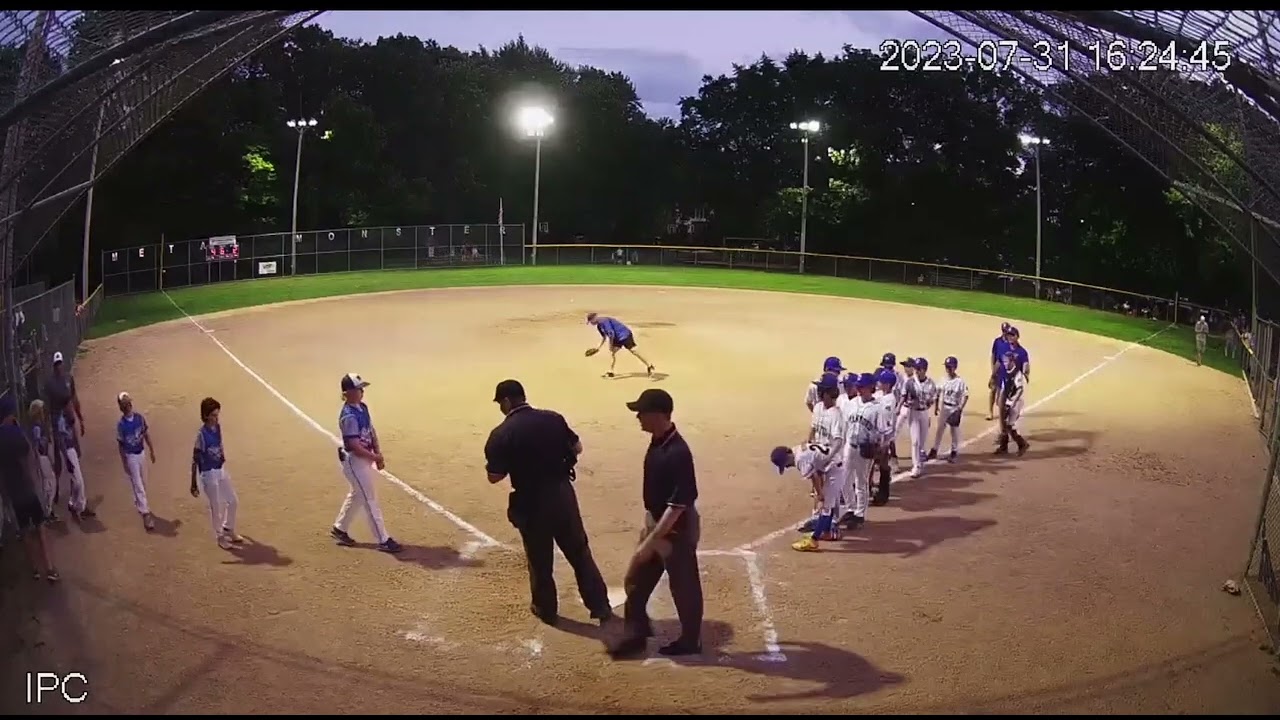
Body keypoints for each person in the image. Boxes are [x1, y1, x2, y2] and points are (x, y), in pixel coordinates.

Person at [483, 379, 612, 626]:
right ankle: (600, 606)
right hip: (562, 495)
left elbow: (494, 476)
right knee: (580, 553)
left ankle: (545, 609)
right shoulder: (553, 418)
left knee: (540, 560)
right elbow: (578, 447)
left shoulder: (501, 434)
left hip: (531, 501)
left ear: (508, 401)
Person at [610, 388, 703, 658]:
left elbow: (678, 506)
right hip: (658, 522)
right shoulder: (658, 441)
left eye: (643, 412)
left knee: (684, 585)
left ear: (659, 415)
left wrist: (651, 541)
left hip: (675, 528)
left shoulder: (677, 452)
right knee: (634, 581)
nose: (638, 416)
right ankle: (637, 633)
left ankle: (690, 641)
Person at [329, 373, 402, 553]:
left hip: (365, 458)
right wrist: (374, 457)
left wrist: (378, 453)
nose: (362, 391)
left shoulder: (362, 407)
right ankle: (383, 540)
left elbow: (371, 430)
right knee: (369, 499)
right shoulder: (349, 417)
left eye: (362, 388)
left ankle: (339, 528)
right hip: (355, 463)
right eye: (358, 389)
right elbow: (353, 446)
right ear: (347, 393)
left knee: (358, 495)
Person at [0, 393, 58, 581]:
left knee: (25, 530)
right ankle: (49, 568)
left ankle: (34, 569)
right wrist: (34, 482)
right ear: (10, 414)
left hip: (13, 492)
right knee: (40, 526)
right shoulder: (16, 433)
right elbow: (27, 459)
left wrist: (5, 494)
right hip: (27, 489)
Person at [190, 397, 242, 550]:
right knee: (216, 506)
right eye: (213, 415)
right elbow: (195, 459)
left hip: (219, 469)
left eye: (217, 415)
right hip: (208, 473)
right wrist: (193, 483)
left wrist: (223, 455)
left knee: (233, 500)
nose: (216, 418)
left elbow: (219, 443)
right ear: (206, 415)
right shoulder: (201, 435)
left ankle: (228, 528)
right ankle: (220, 536)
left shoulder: (217, 427)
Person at [116, 392, 157, 531]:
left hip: (141, 453)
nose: (127, 406)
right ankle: (146, 513)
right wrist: (124, 462)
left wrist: (151, 450)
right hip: (131, 456)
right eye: (124, 404)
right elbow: (121, 446)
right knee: (138, 484)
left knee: (143, 481)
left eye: (128, 403)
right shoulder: (121, 425)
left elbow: (146, 435)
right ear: (121, 407)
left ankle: (139, 502)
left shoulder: (139, 418)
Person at [585, 312, 656, 378]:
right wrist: (598, 347)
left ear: (594, 318)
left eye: (591, 321)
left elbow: (611, 333)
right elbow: (604, 337)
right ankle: (610, 372)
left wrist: (611, 345)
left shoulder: (604, 321)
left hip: (624, 334)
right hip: (617, 337)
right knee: (612, 353)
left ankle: (649, 365)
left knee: (634, 351)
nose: (591, 323)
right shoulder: (599, 326)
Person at [902, 358, 938, 479]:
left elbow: (933, 398)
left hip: (924, 413)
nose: (917, 371)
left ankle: (919, 462)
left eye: (919, 369)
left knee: (921, 442)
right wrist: (907, 403)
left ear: (925, 369)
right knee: (915, 441)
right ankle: (915, 466)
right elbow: (904, 396)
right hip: (913, 413)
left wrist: (929, 402)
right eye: (916, 368)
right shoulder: (910, 382)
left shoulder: (931, 383)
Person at [929, 356, 969, 463]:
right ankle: (934, 449)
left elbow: (965, 396)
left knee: (954, 431)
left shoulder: (960, 381)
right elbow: (937, 393)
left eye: (949, 367)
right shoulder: (943, 379)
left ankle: (954, 451)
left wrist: (960, 408)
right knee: (939, 429)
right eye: (946, 366)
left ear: (955, 367)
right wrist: (936, 406)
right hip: (944, 407)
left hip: (954, 408)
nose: (947, 369)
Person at [55, 405, 92, 521]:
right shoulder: (61, 421)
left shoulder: (68, 417)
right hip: (68, 452)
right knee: (78, 482)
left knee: (77, 480)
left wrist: (77, 447)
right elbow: (60, 441)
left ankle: (75, 503)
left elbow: (73, 432)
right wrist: (66, 458)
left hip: (72, 450)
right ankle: (79, 506)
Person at [27, 399, 60, 523]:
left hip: (43, 456)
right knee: (49, 483)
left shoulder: (40, 425)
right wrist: (40, 460)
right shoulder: (37, 427)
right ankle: (47, 511)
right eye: (42, 410)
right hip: (42, 457)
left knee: (49, 483)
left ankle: (48, 510)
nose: (44, 412)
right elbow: (36, 446)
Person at [995, 352, 1030, 456]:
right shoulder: (1005, 371)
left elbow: (1020, 390)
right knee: (1004, 424)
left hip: (1016, 401)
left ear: (1011, 361)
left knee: (1009, 425)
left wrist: (1013, 403)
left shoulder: (1017, 374)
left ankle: (1023, 444)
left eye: (1006, 361)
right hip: (1007, 400)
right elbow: (1003, 387)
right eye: (1004, 361)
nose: (1004, 363)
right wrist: (999, 399)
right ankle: (1003, 447)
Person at [43, 351, 85, 438]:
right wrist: (47, 427)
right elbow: (47, 406)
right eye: (56, 364)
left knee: (75, 442)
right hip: (56, 419)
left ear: (63, 363)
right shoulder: (49, 383)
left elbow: (74, 399)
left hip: (69, 418)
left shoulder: (68, 378)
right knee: (59, 446)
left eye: (60, 363)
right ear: (53, 366)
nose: (59, 366)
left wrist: (80, 419)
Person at [987, 323, 1013, 420]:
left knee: (1004, 393)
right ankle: (990, 412)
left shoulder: (1012, 343)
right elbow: (993, 355)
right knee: (993, 390)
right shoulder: (997, 341)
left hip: (1007, 371)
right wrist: (992, 369)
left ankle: (1004, 411)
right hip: (997, 369)